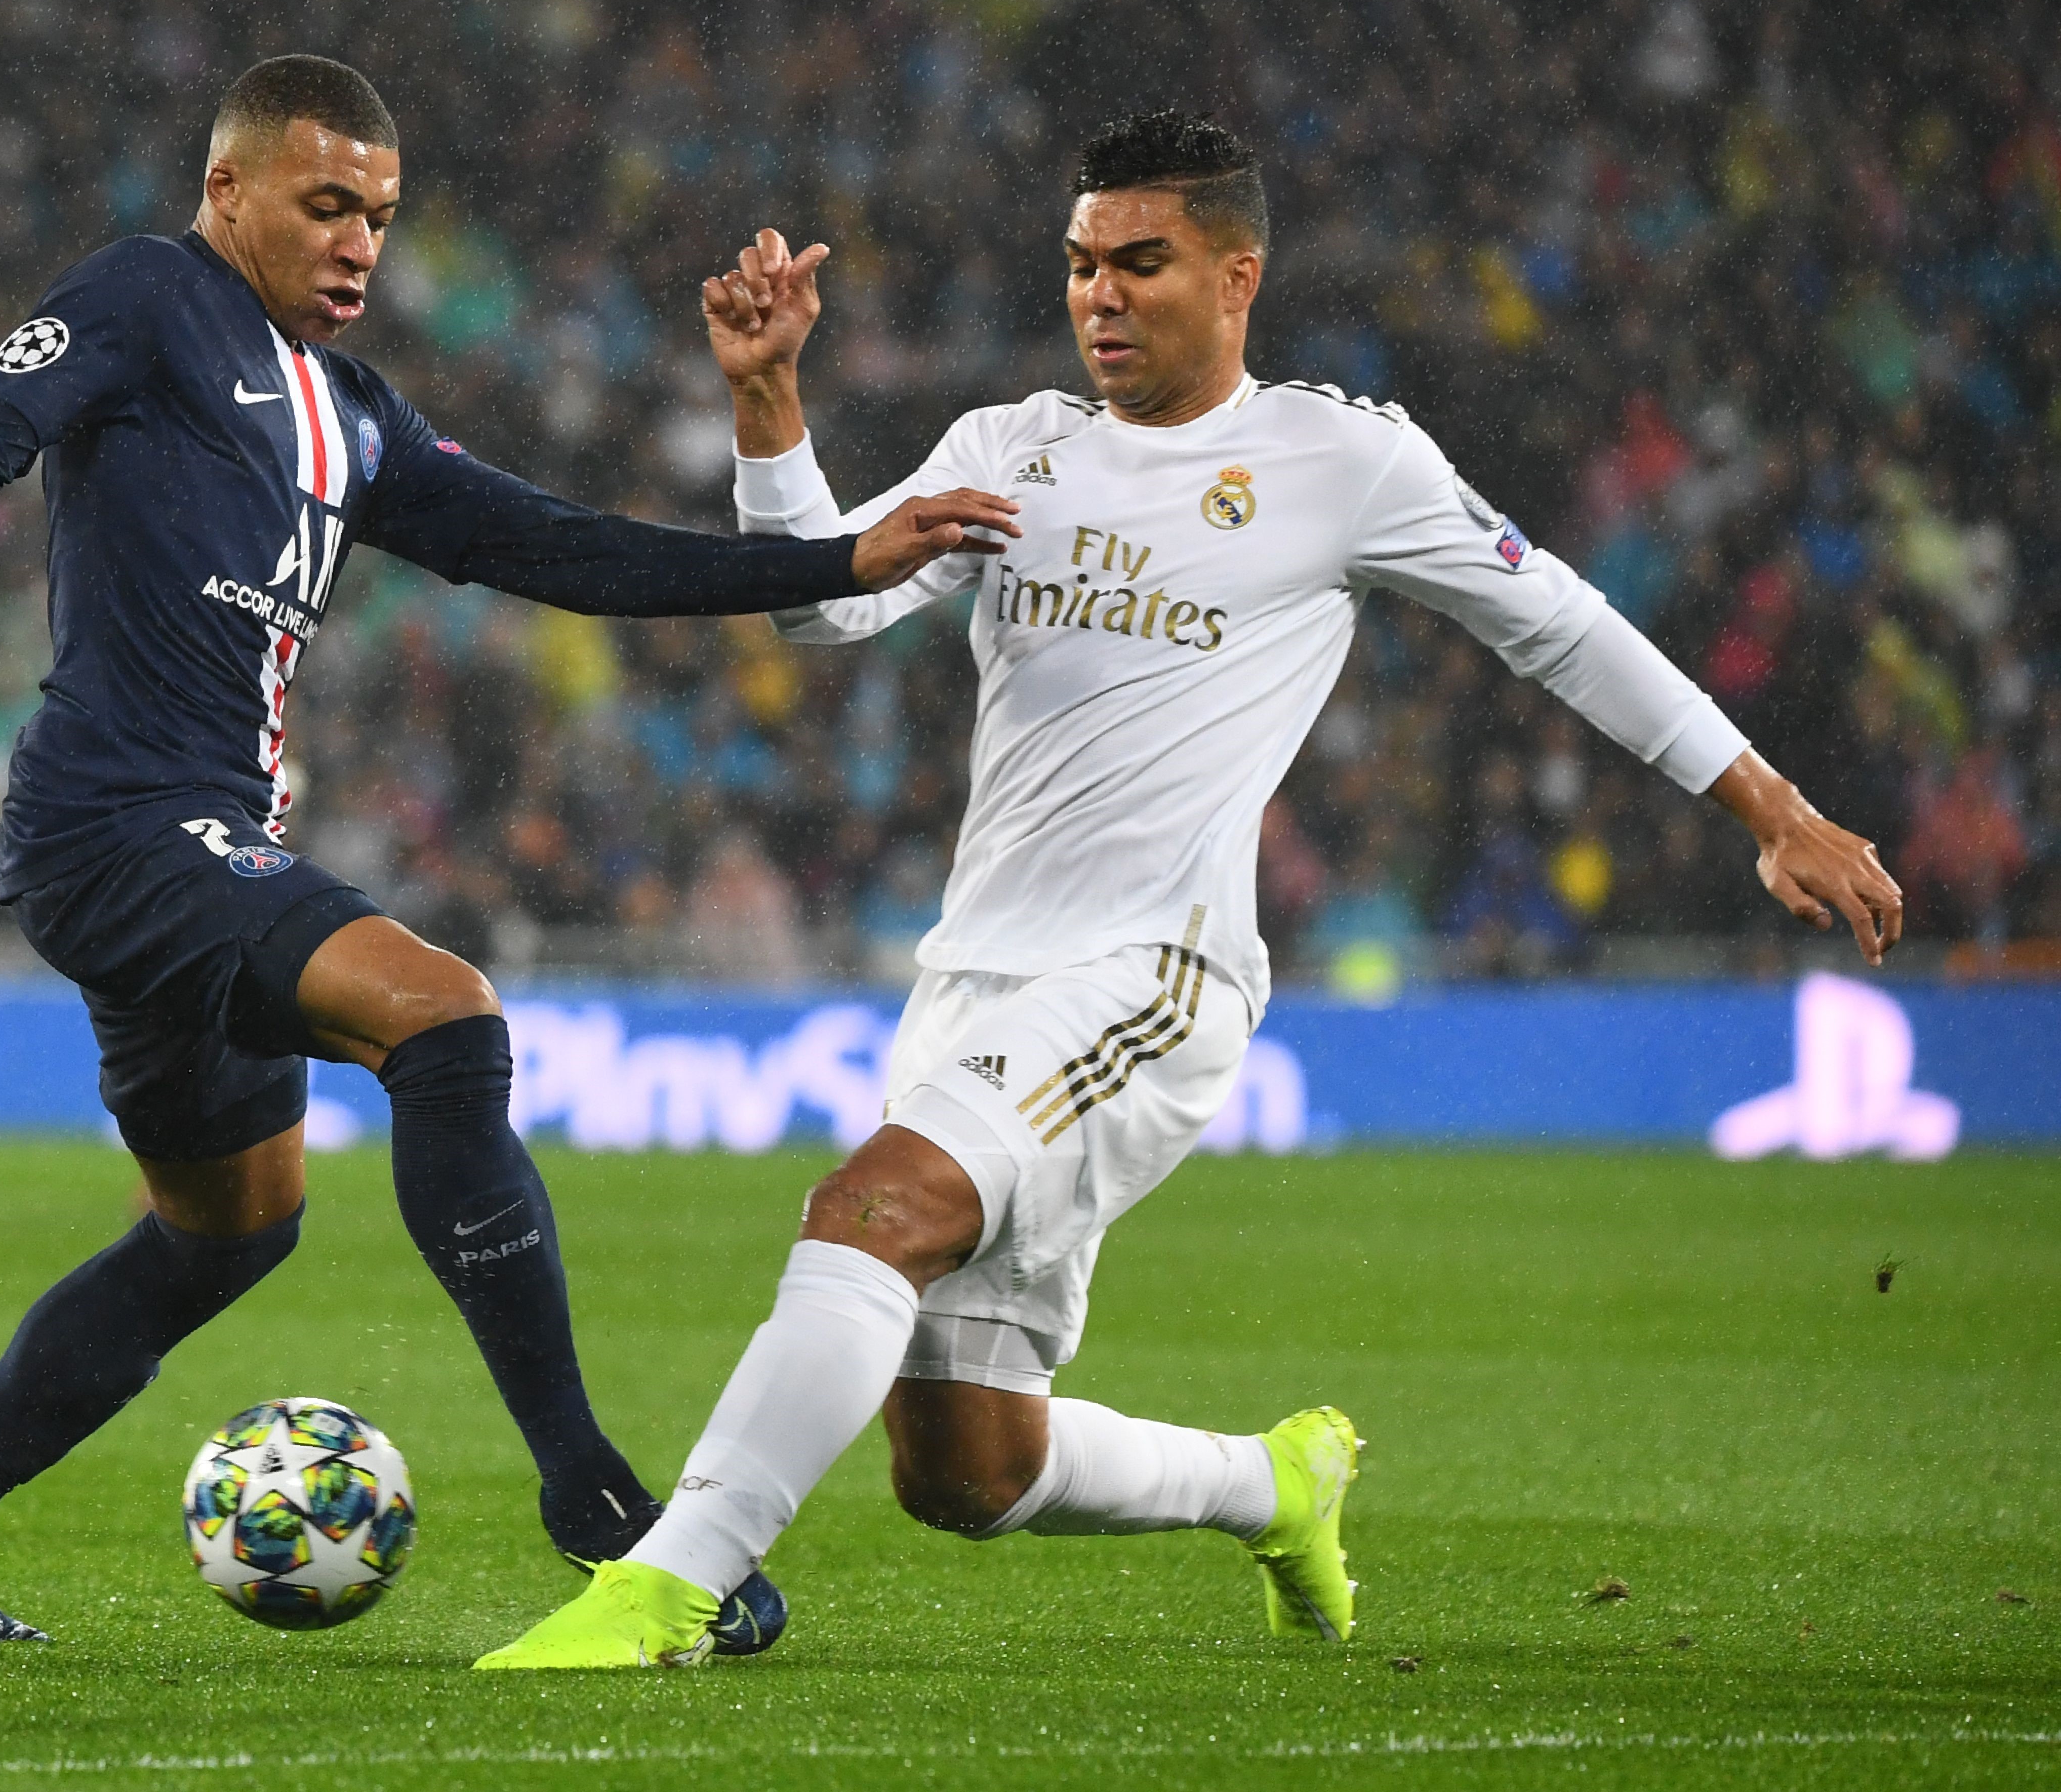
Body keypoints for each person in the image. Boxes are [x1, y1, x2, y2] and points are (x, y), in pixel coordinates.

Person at [478, 111, 1904, 1668]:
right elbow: (819, 617)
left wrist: (1774, 806)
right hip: (975, 984)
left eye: (1141, 263)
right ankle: (1272, 1484)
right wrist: (768, 404)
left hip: (1154, 976)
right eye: (1084, 263)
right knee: (967, 1471)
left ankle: (668, 1587)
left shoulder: (1341, 462)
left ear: (1239, 276)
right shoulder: (1007, 447)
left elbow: (1558, 625)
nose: (1101, 294)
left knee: (866, 1213)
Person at [0, 55, 1005, 1645]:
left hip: (192, 841)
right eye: (326, 205)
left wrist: (838, 555)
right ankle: (592, 1494)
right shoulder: (144, 300)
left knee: (228, 1230)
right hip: (113, 823)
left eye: (379, 215)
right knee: (446, 1020)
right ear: (226, 191)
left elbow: (557, 549)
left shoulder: (359, 416)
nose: (360, 243)